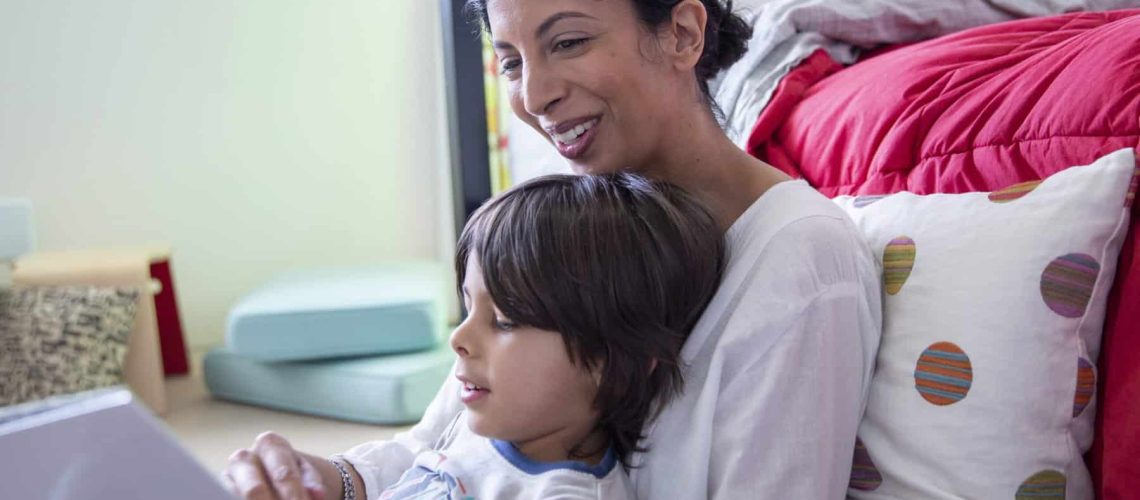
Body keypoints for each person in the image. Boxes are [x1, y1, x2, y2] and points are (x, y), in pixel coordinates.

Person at [223, 0, 883, 498]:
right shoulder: (571, 222)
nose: (534, 97)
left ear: (682, 33)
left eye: (567, 42)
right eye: (510, 61)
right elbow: (443, 451)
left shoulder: (800, 256)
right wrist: (327, 479)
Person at [376, 173, 722, 499]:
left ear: (614, 359)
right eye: (468, 308)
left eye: (503, 320)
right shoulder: (481, 427)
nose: (459, 338)